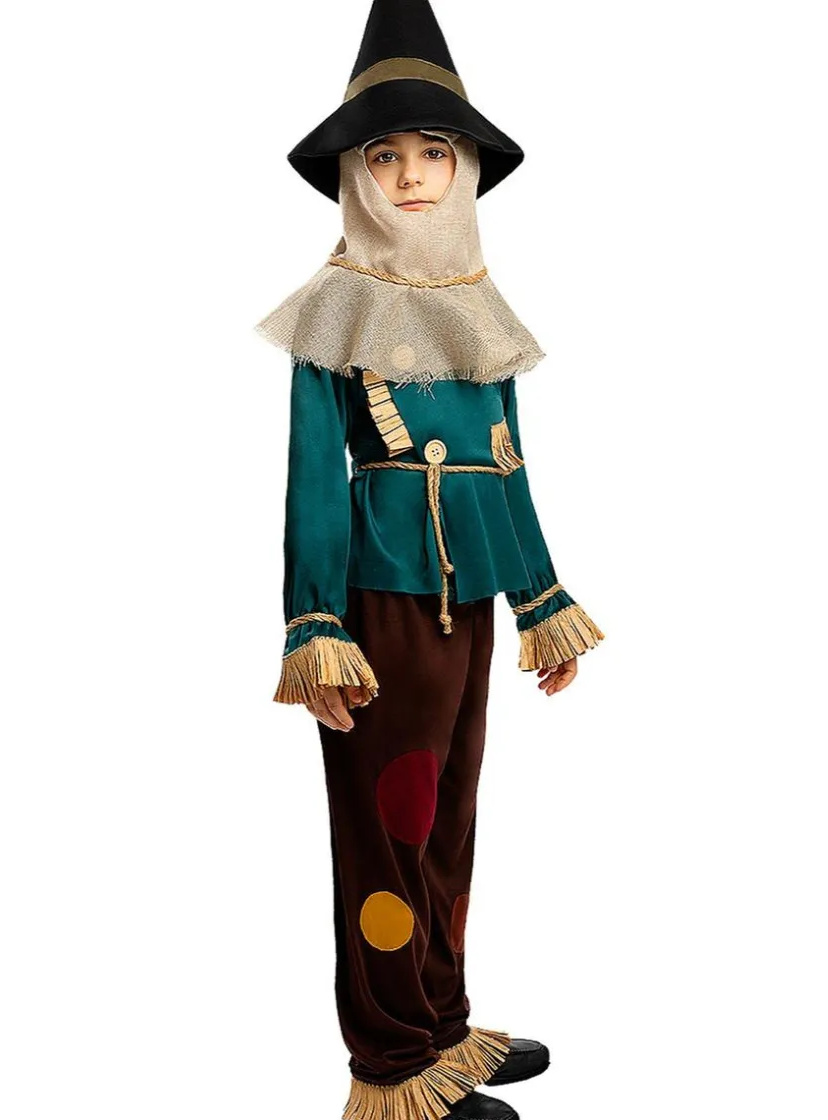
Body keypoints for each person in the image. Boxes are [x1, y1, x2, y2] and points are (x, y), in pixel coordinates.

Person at [255, 3, 604, 1119]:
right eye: (385, 156)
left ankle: (445, 1027)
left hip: (472, 602)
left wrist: (542, 602)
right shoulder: (333, 310)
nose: (411, 176)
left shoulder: (476, 305)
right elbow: (315, 479)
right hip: (383, 602)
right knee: (388, 826)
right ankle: (393, 1061)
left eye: (434, 152)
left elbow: (509, 464)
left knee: (448, 816)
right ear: (354, 176)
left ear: (464, 172)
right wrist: (316, 626)